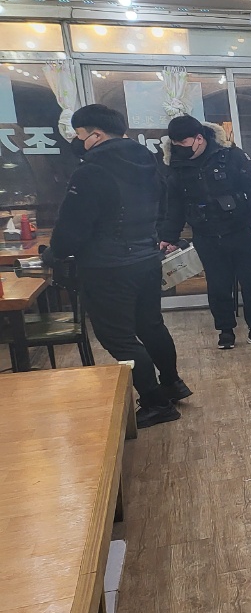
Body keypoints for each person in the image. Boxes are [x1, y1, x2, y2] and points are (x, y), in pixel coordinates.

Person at [44, 104, 187, 427]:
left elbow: (72, 228)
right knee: (150, 325)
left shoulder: (91, 171)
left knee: (117, 337)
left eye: (79, 134)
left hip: (108, 267)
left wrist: (54, 253)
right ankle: (172, 383)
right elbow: (164, 207)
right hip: (146, 259)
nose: (77, 141)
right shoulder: (148, 161)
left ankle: (156, 404)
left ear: (95, 135)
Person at [159, 114, 251, 349]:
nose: (179, 148)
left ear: (199, 138)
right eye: (174, 144)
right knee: (218, 286)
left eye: (183, 143)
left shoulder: (230, 155)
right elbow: (174, 205)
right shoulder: (175, 165)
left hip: (241, 229)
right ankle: (225, 332)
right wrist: (168, 236)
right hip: (206, 234)